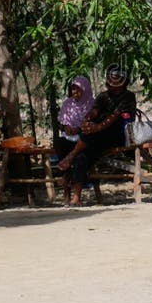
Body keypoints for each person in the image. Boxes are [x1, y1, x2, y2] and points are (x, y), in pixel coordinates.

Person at [57, 65, 137, 205]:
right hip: (98, 137)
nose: (112, 85)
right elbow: (94, 111)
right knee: (81, 157)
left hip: (118, 134)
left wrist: (97, 127)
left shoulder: (128, 97)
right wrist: (87, 119)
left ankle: (70, 156)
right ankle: (76, 197)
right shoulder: (103, 96)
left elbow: (114, 117)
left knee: (90, 137)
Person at [55, 75, 94, 206]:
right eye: (73, 89)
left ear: (85, 89)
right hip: (68, 139)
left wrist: (78, 129)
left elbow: (93, 124)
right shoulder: (68, 103)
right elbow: (61, 122)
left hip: (83, 140)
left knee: (80, 159)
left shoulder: (92, 105)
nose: (75, 93)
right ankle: (66, 177)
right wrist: (66, 127)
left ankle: (76, 196)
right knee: (59, 143)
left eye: (78, 89)